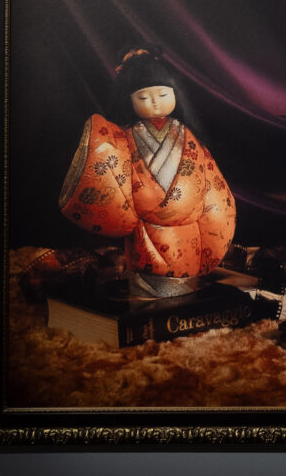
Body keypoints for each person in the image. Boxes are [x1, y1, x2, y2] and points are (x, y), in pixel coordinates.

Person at [58, 48, 237, 297]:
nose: (155, 102)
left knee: (187, 287)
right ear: (129, 100)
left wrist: (214, 218)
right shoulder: (125, 137)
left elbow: (210, 180)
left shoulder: (189, 137)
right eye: (143, 97)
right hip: (145, 230)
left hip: (188, 232)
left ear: (176, 95)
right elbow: (111, 172)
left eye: (163, 94)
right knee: (146, 291)